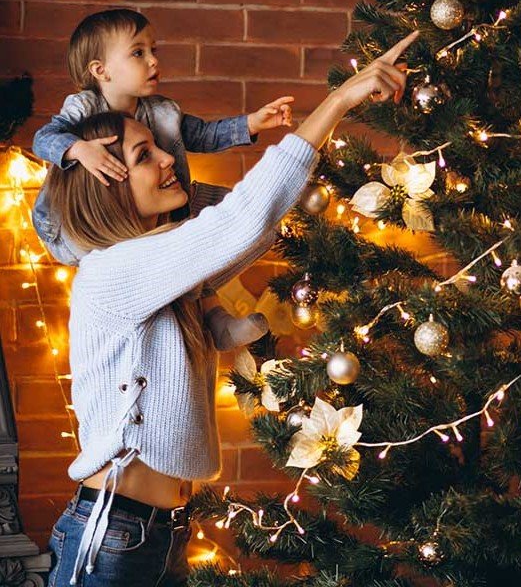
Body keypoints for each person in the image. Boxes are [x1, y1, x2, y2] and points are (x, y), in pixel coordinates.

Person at [43, 30, 419, 586]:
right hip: (113, 536)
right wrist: (338, 101)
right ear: (107, 185)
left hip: (156, 530)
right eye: (144, 155)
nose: (170, 158)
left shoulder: (159, 268)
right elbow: (241, 220)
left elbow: (246, 232)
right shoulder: (113, 271)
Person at [32, 8, 294, 351]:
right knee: (164, 263)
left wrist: (251, 124)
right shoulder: (84, 108)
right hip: (91, 224)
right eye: (138, 53)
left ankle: (214, 320)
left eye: (154, 50)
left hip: (157, 210)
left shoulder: (160, 111)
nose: (153, 61)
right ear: (101, 70)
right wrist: (78, 149)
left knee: (211, 223)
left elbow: (201, 134)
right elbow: (43, 138)